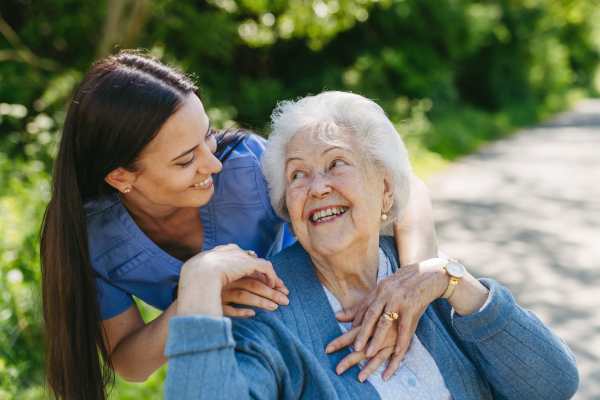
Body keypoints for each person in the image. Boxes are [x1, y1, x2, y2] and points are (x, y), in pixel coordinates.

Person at [39, 53, 437, 400]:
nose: (212, 165)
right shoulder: (91, 238)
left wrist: (410, 281)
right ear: (122, 177)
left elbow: (406, 188)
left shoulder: (246, 165)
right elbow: (130, 364)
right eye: (184, 160)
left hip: (318, 325)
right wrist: (197, 298)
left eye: (207, 136)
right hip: (226, 358)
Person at [163, 91, 579, 400]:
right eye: (297, 175)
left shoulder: (425, 277)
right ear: (287, 207)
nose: (318, 186)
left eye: (336, 163)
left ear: (385, 188)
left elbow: (553, 385)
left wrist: (455, 281)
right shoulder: (270, 310)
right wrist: (197, 283)